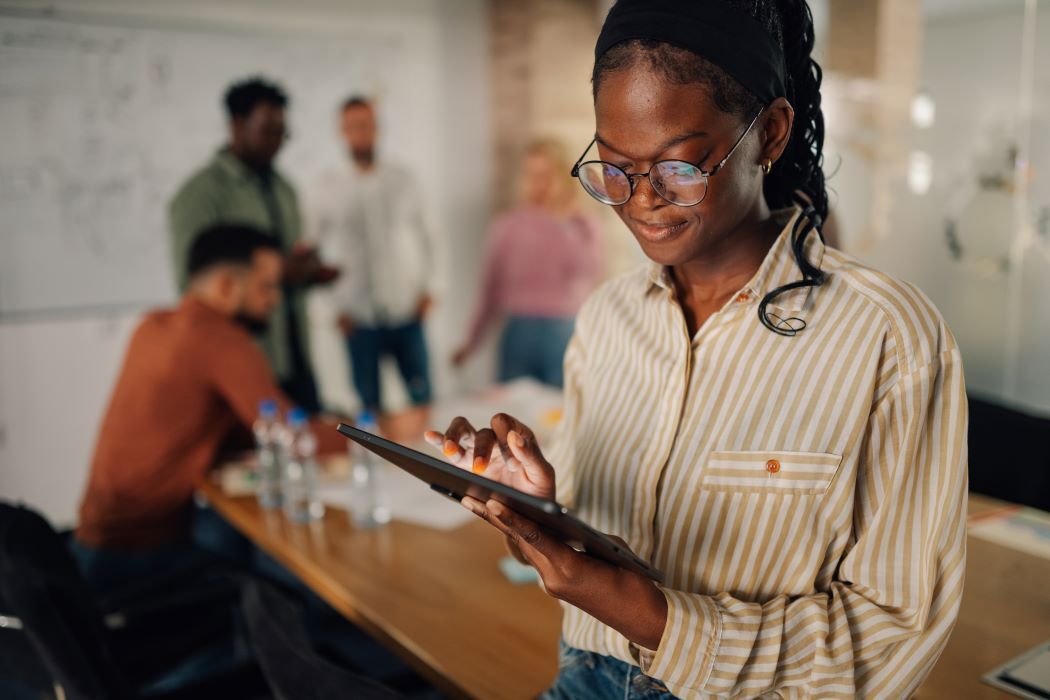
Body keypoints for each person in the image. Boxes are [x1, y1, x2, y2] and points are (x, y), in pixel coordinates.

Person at [426, 1, 968, 698]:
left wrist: (658, 620)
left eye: (678, 168)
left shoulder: (890, 338)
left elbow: (895, 631)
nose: (642, 203)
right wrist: (534, 515)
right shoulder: (609, 318)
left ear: (769, 133)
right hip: (585, 676)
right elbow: (594, 557)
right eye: (614, 170)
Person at [73, 224, 345, 594]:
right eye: (266, 286)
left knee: (230, 531)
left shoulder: (153, 325)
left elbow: (241, 429)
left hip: (92, 544)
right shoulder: (220, 341)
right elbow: (294, 438)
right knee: (284, 577)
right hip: (139, 559)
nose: (276, 299)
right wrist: (382, 429)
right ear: (226, 286)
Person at [169, 77, 335, 414]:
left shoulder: (285, 189)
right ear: (236, 125)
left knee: (309, 447)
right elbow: (195, 287)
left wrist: (307, 271)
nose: (277, 143)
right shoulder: (201, 195)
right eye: (267, 130)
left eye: (282, 132)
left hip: (295, 352)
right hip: (244, 360)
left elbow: (286, 261)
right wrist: (282, 271)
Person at [307, 96, 437, 415]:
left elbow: (431, 236)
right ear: (342, 131)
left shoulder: (404, 179)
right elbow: (309, 255)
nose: (361, 132)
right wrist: (328, 311)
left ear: (377, 128)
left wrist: (432, 290)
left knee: (424, 399)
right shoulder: (325, 187)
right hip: (358, 318)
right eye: (353, 126)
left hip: (406, 312)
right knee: (369, 407)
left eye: (366, 124)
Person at [451, 139, 605, 388]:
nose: (537, 184)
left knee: (561, 413)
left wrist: (564, 224)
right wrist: (471, 343)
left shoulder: (582, 223)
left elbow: (591, 273)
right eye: (530, 175)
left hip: (564, 331)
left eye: (545, 175)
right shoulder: (506, 227)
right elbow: (489, 292)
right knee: (510, 417)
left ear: (563, 179)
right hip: (518, 332)